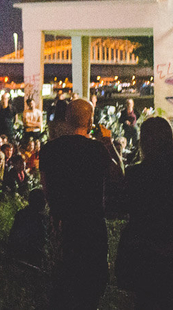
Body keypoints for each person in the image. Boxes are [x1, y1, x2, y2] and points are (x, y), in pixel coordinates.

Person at [39, 98, 123, 310]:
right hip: (92, 223)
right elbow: (118, 174)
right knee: (91, 282)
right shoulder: (97, 150)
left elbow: (46, 189)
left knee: (63, 280)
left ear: (67, 118)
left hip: (62, 223)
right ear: (91, 120)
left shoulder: (50, 150)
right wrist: (108, 143)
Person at [117, 116, 173, 309]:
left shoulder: (135, 173)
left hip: (145, 251)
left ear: (143, 141)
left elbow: (122, 206)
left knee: (147, 301)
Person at [8, 188, 49, 268]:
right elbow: (41, 240)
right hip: (29, 257)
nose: (45, 202)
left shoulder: (21, 215)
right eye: (43, 200)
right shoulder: (38, 219)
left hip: (18, 255)